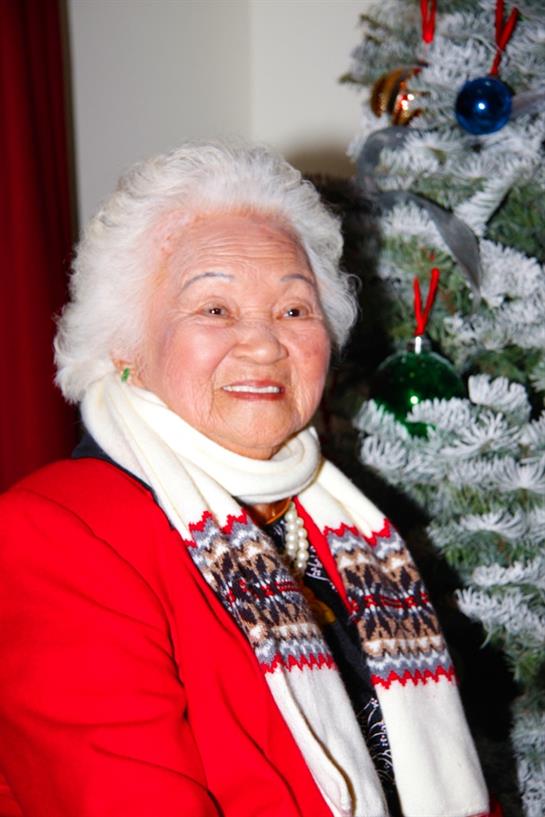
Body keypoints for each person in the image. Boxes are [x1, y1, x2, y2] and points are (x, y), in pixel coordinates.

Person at [0, 141, 495, 817]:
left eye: (294, 310)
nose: (264, 344)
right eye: (214, 309)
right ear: (123, 343)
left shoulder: (346, 522)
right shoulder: (59, 534)